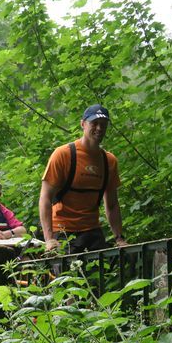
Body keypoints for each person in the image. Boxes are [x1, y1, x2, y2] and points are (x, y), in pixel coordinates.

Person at [39, 104, 127, 253]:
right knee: (68, 275)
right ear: (83, 124)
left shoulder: (109, 161)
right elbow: (45, 198)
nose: (99, 128)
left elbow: (112, 204)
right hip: (62, 231)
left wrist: (119, 238)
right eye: (94, 123)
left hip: (92, 231)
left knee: (100, 274)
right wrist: (49, 239)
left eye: (103, 125)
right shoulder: (63, 155)